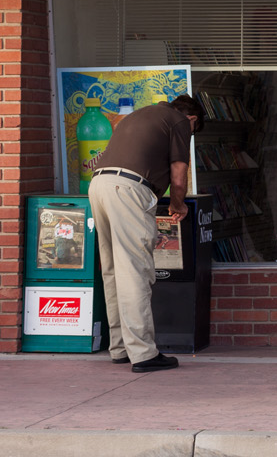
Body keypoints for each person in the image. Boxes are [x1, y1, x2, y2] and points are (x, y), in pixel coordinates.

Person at [87, 93, 205, 372]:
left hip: (99, 185)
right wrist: (178, 205)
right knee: (135, 270)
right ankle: (143, 353)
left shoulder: (140, 114)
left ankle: (120, 348)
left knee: (114, 270)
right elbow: (179, 174)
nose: (189, 134)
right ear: (192, 119)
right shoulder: (178, 122)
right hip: (129, 190)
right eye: (193, 131)